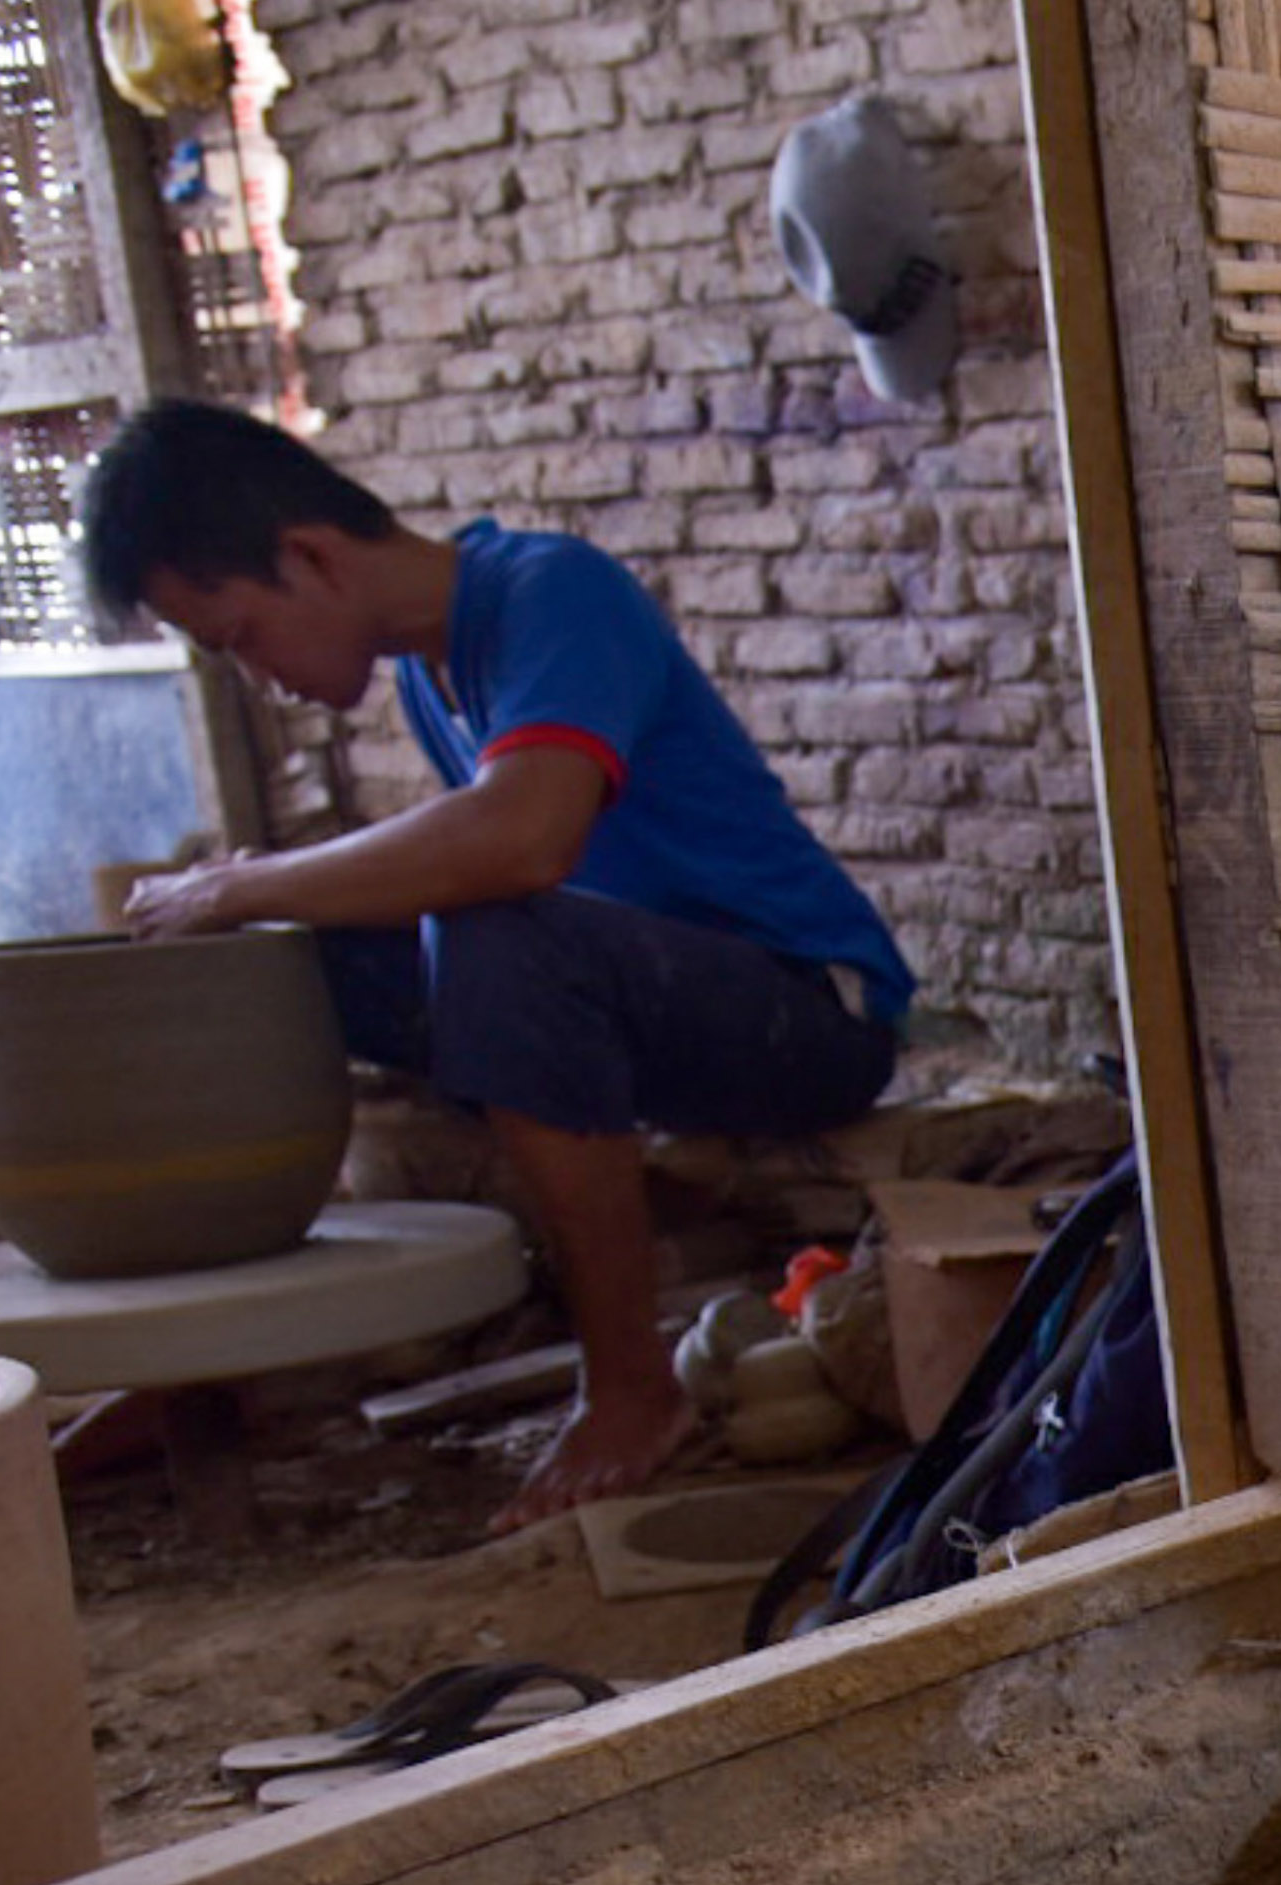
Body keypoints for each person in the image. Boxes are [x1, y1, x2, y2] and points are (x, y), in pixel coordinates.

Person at [75, 401, 915, 1533]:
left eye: (236, 639)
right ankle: (195, 1369)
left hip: (808, 1011)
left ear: (309, 555)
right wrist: (246, 906)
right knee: (269, 957)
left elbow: (523, 842)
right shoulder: (433, 671)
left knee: (485, 921)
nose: (256, 678)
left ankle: (630, 1390)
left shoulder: (548, 590)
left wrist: (241, 878)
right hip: (644, 1008)